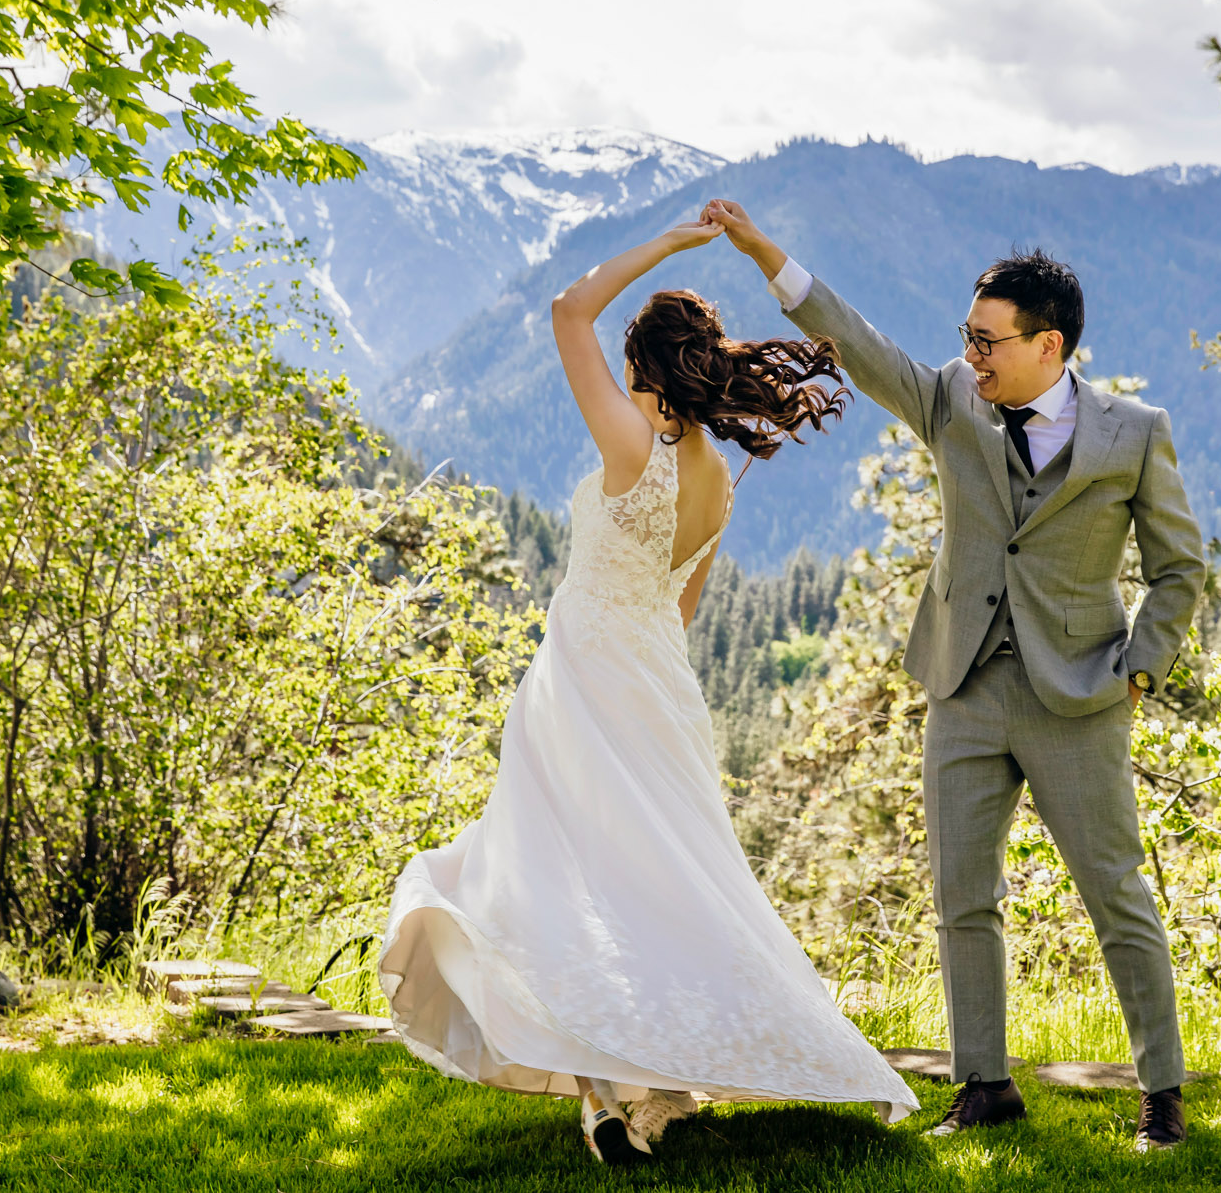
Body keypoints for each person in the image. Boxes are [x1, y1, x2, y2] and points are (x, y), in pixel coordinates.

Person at [377, 216, 918, 1168]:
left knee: (553, 877)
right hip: (658, 685)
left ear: (646, 371)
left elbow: (564, 308)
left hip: (582, 678)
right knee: (667, 879)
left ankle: (603, 1096)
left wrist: (668, 244)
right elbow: (684, 606)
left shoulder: (632, 446)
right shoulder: (717, 481)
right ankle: (649, 1083)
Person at [703, 198, 1206, 1154]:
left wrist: (1138, 671)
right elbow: (855, 341)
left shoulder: (1133, 432)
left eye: (987, 340)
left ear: (1048, 344)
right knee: (962, 896)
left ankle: (1163, 1094)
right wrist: (769, 253)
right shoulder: (947, 399)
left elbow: (1180, 567)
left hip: (1081, 698)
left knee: (1117, 897)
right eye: (965, 337)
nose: (969, 354)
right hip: (963, 687)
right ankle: (983, 1084)